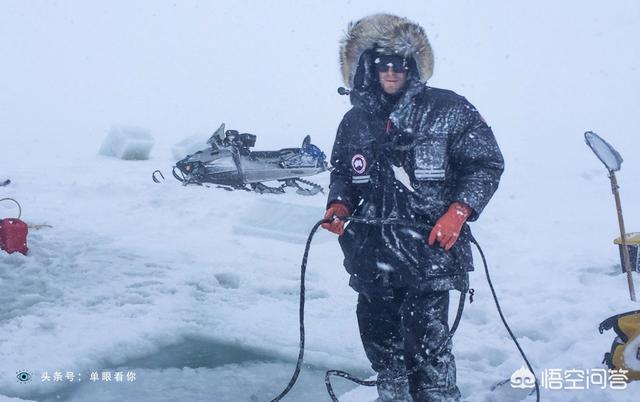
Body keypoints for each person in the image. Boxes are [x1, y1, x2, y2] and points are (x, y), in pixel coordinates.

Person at [321, 14, 504, 402]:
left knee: (429, 355)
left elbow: (485, 164)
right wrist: (338, 203)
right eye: (382, 64)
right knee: (383, 351)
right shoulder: (355, 120)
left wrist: (459, 211)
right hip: (370, 259)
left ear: (413, 66)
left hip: (428, 258)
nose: (390, 72)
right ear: (368, 67)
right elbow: (343, 170)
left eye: (399, 64)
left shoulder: (450, 109)